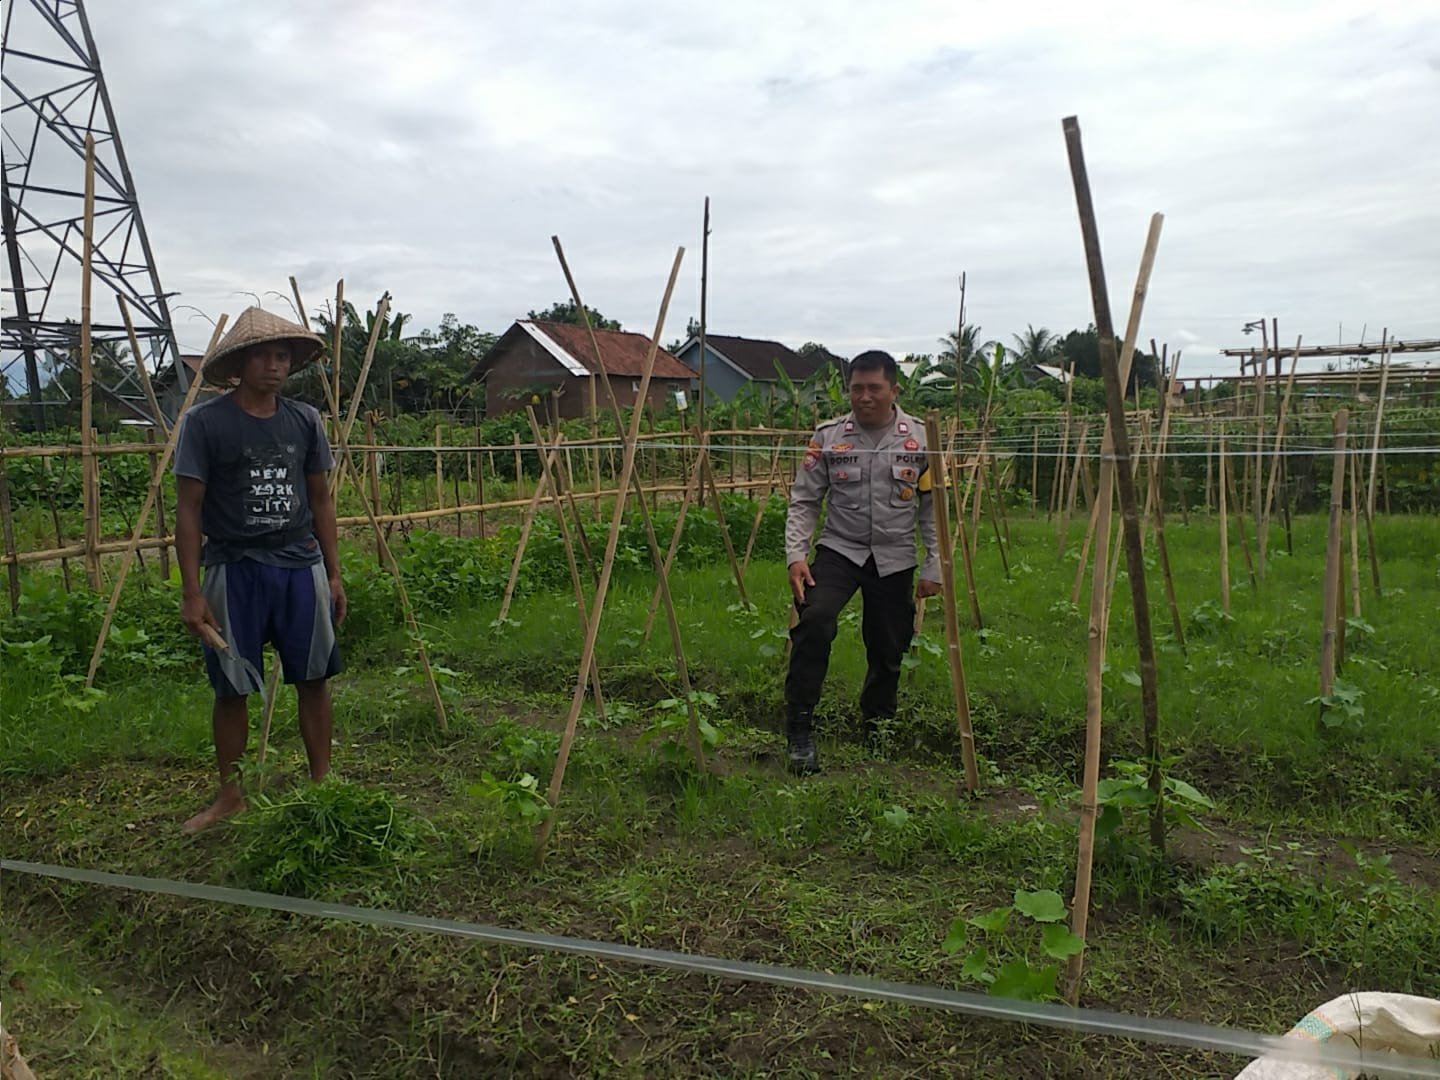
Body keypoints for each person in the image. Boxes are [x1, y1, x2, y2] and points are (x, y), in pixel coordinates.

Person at [173, 307, 346, 833]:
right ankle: (231, 796)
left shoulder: (305, 420)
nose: (275, 366)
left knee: (313, 678)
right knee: (231, 687)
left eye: (283, 357)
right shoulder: (206, 423)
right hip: (233, 567)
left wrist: (333, 573)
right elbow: (188, 510)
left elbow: (320, 501)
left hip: (299, 564)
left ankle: (323, 786)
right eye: (264, 356)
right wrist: (191, 591)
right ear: (240, 364)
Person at [783, 350, 941, 774]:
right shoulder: (829, 437)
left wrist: (935, 565)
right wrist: (796, 555)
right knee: (815, 621)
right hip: (841, 549)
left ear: (894, 389)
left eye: (874, 388)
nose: (864, 397)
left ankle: (877, 724)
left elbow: (933, 509)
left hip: (894, 555)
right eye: (857, 389)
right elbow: (804, 500)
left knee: (889, 644)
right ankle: (799, 728)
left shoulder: (921, 440)